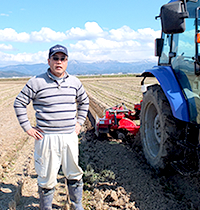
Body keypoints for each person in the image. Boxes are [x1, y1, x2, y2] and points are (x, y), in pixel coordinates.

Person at [14, 44, 89, 210]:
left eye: (63, 58)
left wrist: (79, 123)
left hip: (69, 136)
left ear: (67, 61)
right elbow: (19, 103)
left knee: (74, 173)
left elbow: (84, 102)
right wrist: (27, 127)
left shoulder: (74, 82)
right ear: (49, 61)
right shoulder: (36, 82)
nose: (59, 62)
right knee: (46, 177)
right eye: (55, 58)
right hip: (46, 137)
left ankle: (77, 204)